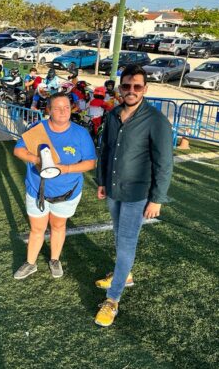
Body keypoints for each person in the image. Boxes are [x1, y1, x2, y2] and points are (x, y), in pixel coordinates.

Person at [94, 64, 174, 327]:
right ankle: (124, 274)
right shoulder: (113, 114)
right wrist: (102, 181)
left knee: (127, 242)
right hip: (113, 189)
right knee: (119, 235)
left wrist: (157, 198)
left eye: (137, 86)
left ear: (145, 89)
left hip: (138, 193)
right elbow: (106, 150)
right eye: (126, 85)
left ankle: (113, 298)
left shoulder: (156, 120)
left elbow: (164, 163)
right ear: (120, 88)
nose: (131, 90)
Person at [13, 93, 96, 279]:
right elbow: (18, 150)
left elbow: (90, 163)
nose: (63, 112)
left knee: (58, 226)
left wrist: (65, 169)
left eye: (66, 107)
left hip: (67, 192)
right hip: (37, 190)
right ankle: (30, 263)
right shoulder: (37, 128)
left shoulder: (81, 133)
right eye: (57, 108)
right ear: (48, 110)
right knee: (37, 229)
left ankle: (55, 259)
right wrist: (37, 160)